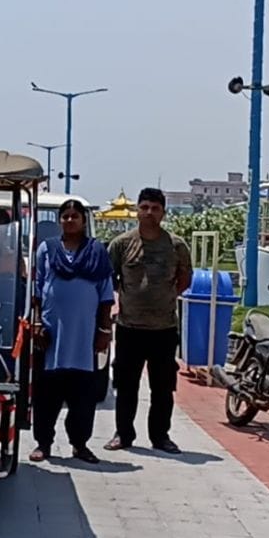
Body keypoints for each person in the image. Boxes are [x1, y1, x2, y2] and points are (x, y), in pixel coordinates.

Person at [104, 187, 192, 454]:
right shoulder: (121, 244)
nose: (149, 213)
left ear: (163, 212)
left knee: (162, 388)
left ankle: (160, 437)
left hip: (164, 329)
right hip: (130, 328)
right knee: (126, 385)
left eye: (155, 208)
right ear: (137, 211)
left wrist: (163, 297)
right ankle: (124, 435)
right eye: (144, 207)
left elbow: (184, 280)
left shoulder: (176, 246)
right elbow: (110, 279)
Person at [29, 199, 115, 465]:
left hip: (84, 336)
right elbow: (37, 290)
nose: (69, 220)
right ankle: (43, 444)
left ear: (83, 220)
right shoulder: (47, 249)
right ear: (59, 221)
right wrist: (37, 324)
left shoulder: (96, 251)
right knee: (46, 395)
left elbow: (105, 296)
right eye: (64, 216)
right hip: (51, 336)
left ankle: (80, 445)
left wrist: (103, 330)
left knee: (83, 398)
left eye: (74, 216)